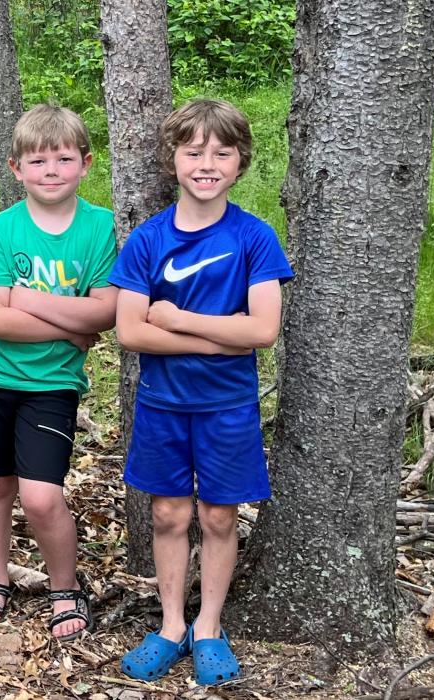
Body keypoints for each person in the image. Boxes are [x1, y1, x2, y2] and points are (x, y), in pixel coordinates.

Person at [111, 99, 294, 686]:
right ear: (173, 161)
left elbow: (262, 330)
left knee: (218, 517)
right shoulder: (148, 239)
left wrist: (178, 320)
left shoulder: (254, 237)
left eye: (222, 152)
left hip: (228, 406)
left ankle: (209, 626)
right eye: (194, 152)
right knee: (168, 513)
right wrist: (222, 335)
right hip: (163, 405)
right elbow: (131, 330)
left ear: (240, 162)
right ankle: (170, 625)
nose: (207, 163)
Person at [0, 105, 116, 642]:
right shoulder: (1, 229)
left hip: (52, 384)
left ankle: (65, 588)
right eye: (38, 160)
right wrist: (69, 328)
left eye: (64, 159)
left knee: (43, 495)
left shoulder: (99, 227)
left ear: (86, 164)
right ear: (15, 167)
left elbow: (105, 312)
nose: (51, 170)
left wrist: (26, 299)